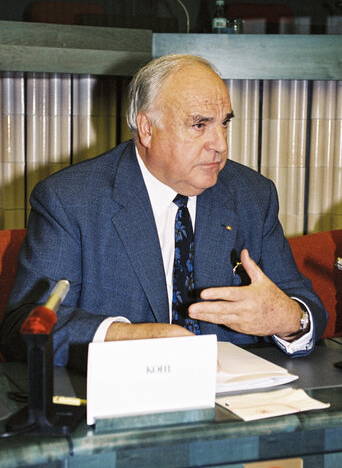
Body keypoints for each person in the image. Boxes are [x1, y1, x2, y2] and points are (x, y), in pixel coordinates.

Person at [0, 54, 328, 372]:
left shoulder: (252, 194)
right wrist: (128, 338)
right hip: (121, 407)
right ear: (147, 128)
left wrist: (290, 318)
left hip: (235, 401)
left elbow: (303, 303)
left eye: (224, 124)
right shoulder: (70, 199)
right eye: (200, 125)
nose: (220, 144)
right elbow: (25, 326)